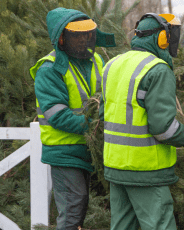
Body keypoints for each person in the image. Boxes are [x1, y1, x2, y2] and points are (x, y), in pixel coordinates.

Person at [99, 13, 184, 230]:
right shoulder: (157, 69)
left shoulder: (112, 65)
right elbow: (162, 128)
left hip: (115, 166)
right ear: (161, 38)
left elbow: (102, 114)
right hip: (145, 170)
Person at [29, 7, 116, 230]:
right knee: (73, 207)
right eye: (77, 35)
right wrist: (96, 128)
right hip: (64, 150)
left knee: (79, 206)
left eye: (88, 34)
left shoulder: (96, 59)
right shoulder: (49, 69)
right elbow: (57, 116)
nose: (85, 39)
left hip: (88, 148)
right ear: (61, 38)